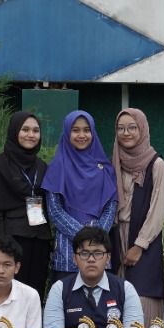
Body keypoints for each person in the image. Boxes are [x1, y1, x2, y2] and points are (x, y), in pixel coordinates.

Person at [42, 110, 118, 283]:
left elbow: (111, 207)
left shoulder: (104, 168)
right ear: (67, 132)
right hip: (67, 254)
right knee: (66, 298)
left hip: (99, 253)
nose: (82, 135)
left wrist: (95, 238)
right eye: (75, 130)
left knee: (100, 298)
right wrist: (86, 237)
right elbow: (55, 211)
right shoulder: (57, 166)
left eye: (86, 130)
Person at [0, 111, 51, 295]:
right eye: (25, 129)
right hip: (13, 239)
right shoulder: (0, 165)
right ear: (14, 131)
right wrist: (0, 246)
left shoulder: (41, 166)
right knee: (12, 293)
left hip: (40, 238)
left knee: (35, 292)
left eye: (35, 130)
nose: (31, 135)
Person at [109, 107, 164, 321]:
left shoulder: (156, 164)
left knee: (143, 297)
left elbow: (157, 210)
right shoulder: (114, 162)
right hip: (117, 235)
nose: (126, 133)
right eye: (121, 128)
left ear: (142, 129)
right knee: (116, 297)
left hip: (145, 237)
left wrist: (139, 245)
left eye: (132, 127)